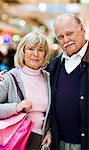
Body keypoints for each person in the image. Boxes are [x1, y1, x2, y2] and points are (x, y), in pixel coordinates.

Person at [0, 32, 51, 149]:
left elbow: (53, 111)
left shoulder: (49, 78)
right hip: (14, 141)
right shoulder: (8, 78)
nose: (35, 54)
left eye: (40, 50)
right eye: (31, 49)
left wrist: (50, 132)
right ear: (22, 51)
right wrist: (16, 107)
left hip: (40, 142)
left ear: (45, 54)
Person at [47, 13, 89, 150]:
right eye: (60, 37)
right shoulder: (54, 66)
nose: (66, 40)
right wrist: (9, 77)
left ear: (82, 29)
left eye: (69, 33)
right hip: (59, 143)